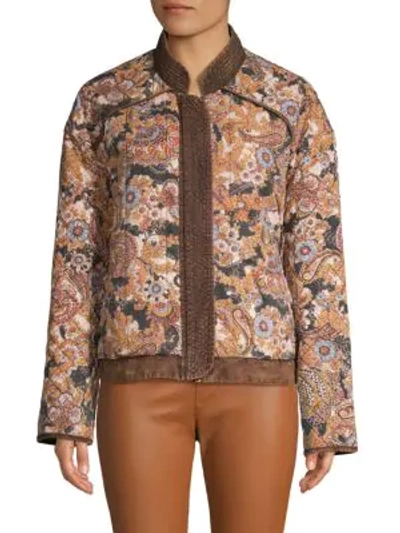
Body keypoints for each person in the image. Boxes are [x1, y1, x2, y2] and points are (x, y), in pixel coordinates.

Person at [36, 0, 359, 531]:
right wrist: (67, 405)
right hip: (136, 382)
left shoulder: (289, 103)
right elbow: (77, 256)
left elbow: (317, 263)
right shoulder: (104, 103)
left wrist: (327, 412)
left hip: (258, 383)